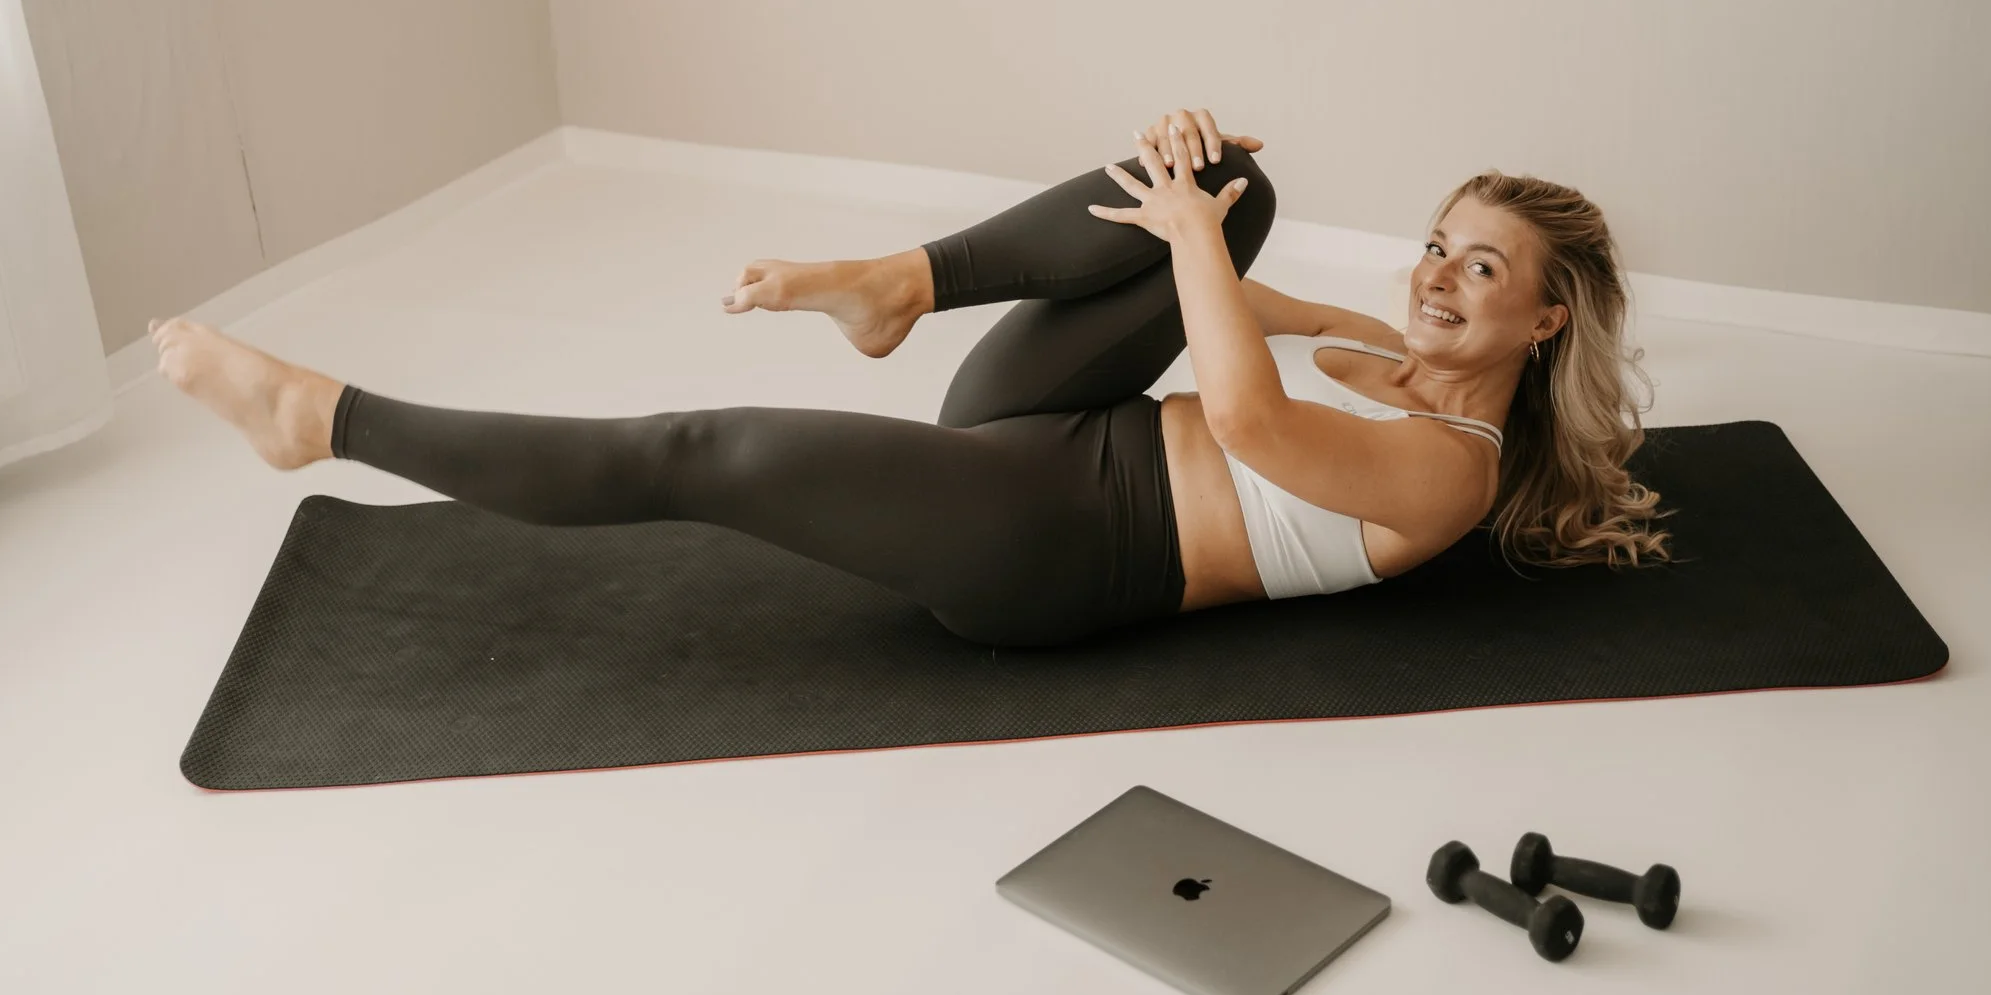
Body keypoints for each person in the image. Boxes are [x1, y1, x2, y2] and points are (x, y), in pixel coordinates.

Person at [152, 107, 1670, 648]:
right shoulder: (1404, 369)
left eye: (1481, 269)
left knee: (701, 447)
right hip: (1054, 434)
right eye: (1437, 244)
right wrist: (1196, 202)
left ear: (1546, 323)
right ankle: (901, 288)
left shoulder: (1450, 473)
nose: (1434, 276)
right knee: (1224, 175)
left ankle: (319, 420)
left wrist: (1193, 242)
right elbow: (1248, 311)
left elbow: (1256, 414)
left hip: (1058, 544)